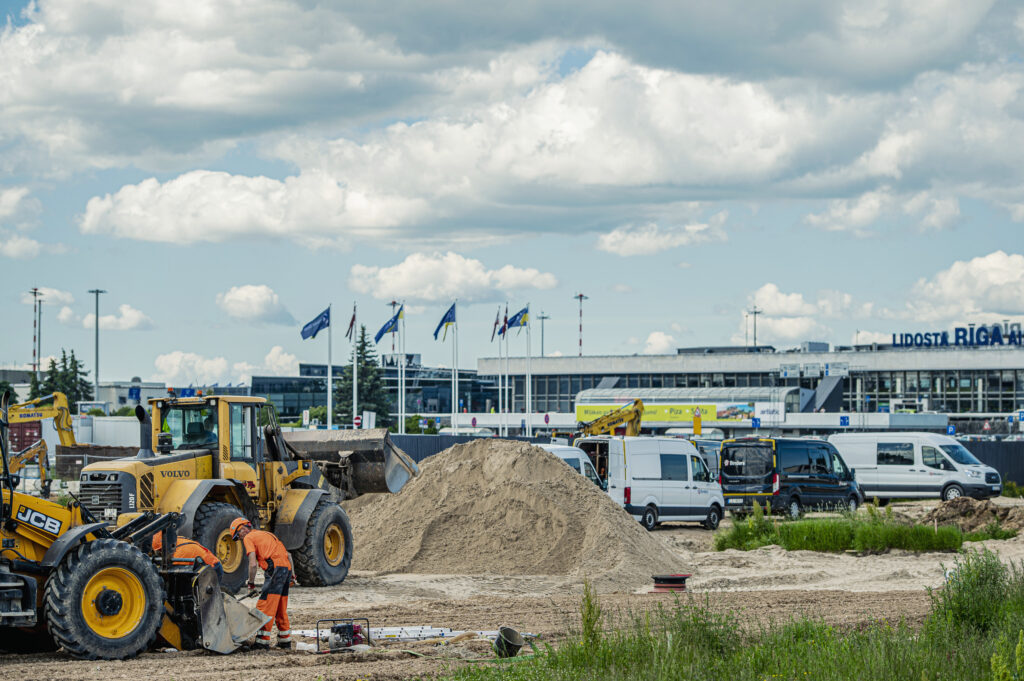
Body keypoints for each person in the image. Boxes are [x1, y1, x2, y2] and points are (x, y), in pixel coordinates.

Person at [230, 518, 294, 650]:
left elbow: (253, 564)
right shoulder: (267, 534)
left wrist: (251, 584)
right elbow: (288, 555)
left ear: (242, 529)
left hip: (275, 570)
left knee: (265, 606)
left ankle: (262, 642)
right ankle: (285, 641)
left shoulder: (249, 537)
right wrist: (292, 575)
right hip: (286, 570)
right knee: (280, 607)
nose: (240, 540)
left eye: (238, 536)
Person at [151, 531, 223, 581]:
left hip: (213, 568)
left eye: (160, 551)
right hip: (205, 567)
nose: (160, 554)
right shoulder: (176, 541)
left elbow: (174, 576)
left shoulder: (179, 555)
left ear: (165, 547)